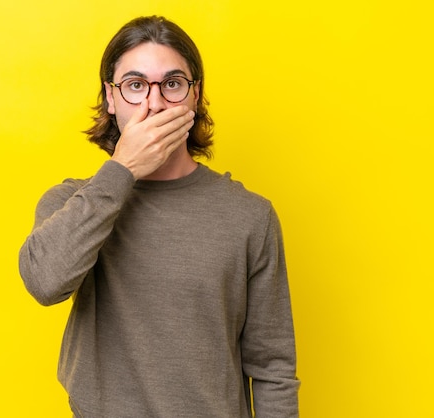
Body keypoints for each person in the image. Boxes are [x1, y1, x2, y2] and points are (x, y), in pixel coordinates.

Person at [19, 15, 300, 418]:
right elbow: (44, 283)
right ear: (111, 98)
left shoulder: (249, 217)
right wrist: (123, 169)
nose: (154, 103)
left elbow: (273, 367)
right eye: (135, 85)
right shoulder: (73, 202)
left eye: (172, 84)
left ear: (195, 95)